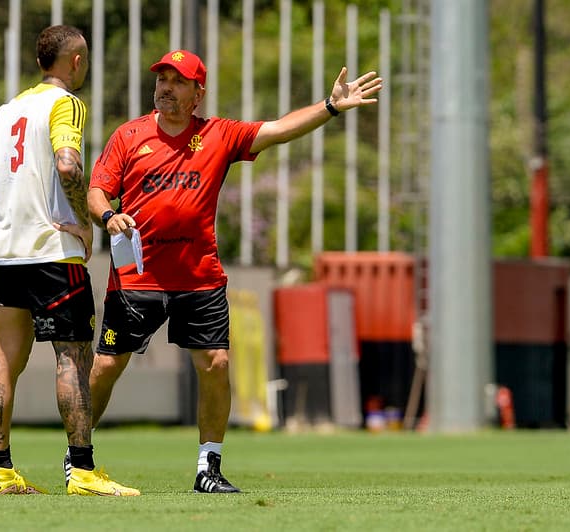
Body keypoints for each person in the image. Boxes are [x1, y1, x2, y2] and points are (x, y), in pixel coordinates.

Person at [81, 49, 382, 493]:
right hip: (137, 278)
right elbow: (96, 192)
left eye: (177, 81)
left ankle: (208, 469)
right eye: (162, 78)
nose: (165, 86)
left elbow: (278, 130)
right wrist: (109, 217)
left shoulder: (219, 135)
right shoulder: (128, 136)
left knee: (216, 364)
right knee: (105, 367)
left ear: (197, 93)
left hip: (199, 278)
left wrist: (331, 106)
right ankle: (79, 458)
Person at [0, 25, 138, 496]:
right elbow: (68, 164)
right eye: (84, 58)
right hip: (53, 252)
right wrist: (80, 220)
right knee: (71, 355)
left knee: (4, 358)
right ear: (74, 61)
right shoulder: (65, 103)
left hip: (5, 250)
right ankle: (84, 472)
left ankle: (0, 471)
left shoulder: (7, 110)